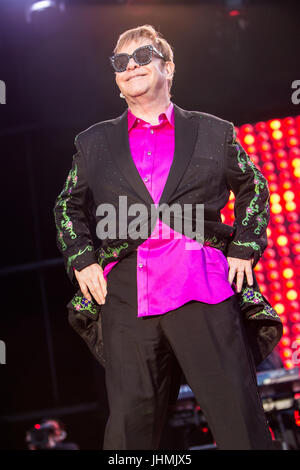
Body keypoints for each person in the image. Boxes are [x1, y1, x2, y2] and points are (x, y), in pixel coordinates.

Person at [53, 24, 282, 450]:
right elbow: (68, 204)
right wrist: (82, 258)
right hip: (126, 297)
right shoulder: (94, 142)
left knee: (239, 422)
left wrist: (246, 247)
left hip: (205, 287)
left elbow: (255, 185)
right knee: (129, 433)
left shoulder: (214, 131)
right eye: (121, 63)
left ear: (168, 67)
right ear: (116, 79)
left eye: (142, 57)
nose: (131, 68)